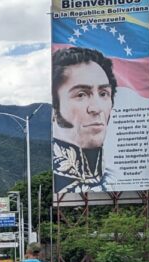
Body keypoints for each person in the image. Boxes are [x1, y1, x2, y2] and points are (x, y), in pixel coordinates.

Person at [52, 47, 117, 197]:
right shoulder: (61, 184)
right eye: (81, 94)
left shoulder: (116, 179)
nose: (96, 108)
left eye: (103, 94)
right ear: (55, 108)